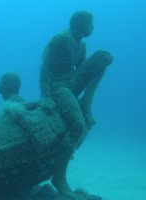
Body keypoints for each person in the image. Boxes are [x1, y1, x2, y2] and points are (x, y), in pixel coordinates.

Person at [39, 11, 113, 199]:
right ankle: (59, 177)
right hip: (58, 87)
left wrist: (100, 61)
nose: (92, 28)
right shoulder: (60, 40)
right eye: (89, 24)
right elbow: (45, 69)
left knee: (102, 57)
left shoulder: (81, 45)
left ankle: (86, 101)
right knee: (78, 124)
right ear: (79, 24)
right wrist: (46, 97)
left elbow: (79, 70)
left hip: (70, 83)